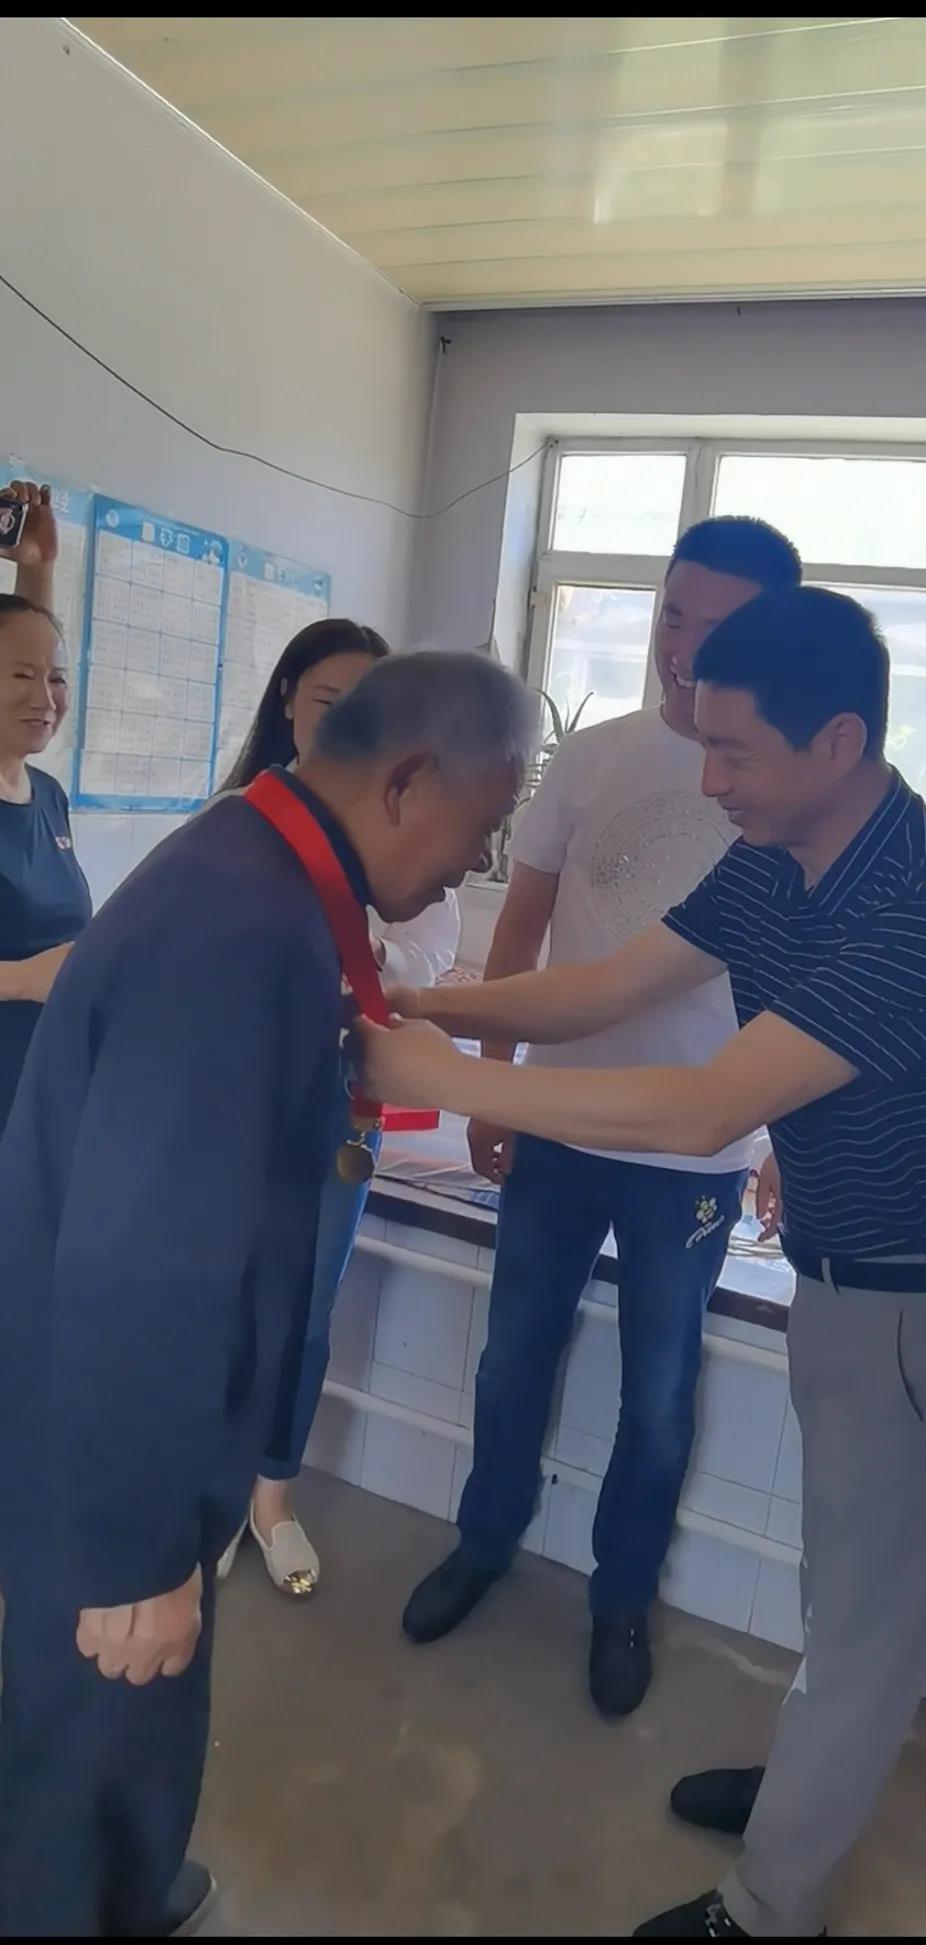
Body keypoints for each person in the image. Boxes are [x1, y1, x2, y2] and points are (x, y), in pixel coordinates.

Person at [359, 587, 926, 1940]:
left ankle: (771, 1908)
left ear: (838, 742)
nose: (709, 779)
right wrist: (423, 1004)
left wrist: (432, 1076)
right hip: (844, 1286)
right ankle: (806, 1792)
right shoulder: (779, 860)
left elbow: (705, 1110)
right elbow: (608, 987)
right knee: (840, 1600)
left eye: (733, 751)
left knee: (865, 1634)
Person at [0, 650, 532, 1938]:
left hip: (137, 1424)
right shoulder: (246, 930)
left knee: (126, 1732)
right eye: (485, 824)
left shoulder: (254, 866)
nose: (478, 861)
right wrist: (137, 1550)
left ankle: (126, 1883)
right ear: (407, 783)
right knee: (92, 1731)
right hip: (112, 1442)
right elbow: (141, 1262)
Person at [401, 518, 801, 1718]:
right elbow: (521, 930)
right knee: (514, 1352)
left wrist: (781, 1136)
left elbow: (803, 985)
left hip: (696, 1149)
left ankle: (621, 1598)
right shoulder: (592, 759)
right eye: (673, 615)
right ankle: (484, 1540)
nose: (685, 648)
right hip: (559, 1123)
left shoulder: (778, 788)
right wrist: (493, 1079)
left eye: (719, 627)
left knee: (660, 1391)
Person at [218, 618, 460, 1595]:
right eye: (328, 703)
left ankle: (272, 1497)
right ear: (288, 701)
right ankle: (213, 1490)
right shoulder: (238, 817)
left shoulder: (402, 823)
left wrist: (355, 930)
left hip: (342, 1103)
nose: (347, 726)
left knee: (306, 1306)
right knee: (226, 1298)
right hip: (236, 1103)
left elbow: (427, 960)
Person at [0, 481, 91, 1135]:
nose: (46, 697)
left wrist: (37, 566)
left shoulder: (49, 795)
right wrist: (22, 979)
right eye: (21, 678)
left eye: (57, 678)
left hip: (43, 1098)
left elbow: (29, 643)